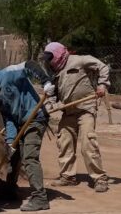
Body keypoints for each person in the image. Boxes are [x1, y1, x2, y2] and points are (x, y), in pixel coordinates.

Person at [42, 41, 111, 193]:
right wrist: (49, 105)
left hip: (85, 109)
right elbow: (52, 95)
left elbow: (103, 67)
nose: (49, 62)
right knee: (64, 141)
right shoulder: (53, 71)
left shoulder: (79, 60)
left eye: (51, 58)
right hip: (68, 111)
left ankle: (99, 178)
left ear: (59, 54)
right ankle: (68, 176)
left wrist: (102, 85)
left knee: (88, 143)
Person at [0, 62, 50, 211]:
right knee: (15, 155)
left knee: (29, 157)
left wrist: (46, 81)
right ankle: (10, 189)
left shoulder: (9, 73)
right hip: (20, 122)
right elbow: (9, 118)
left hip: (35, 117)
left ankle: (40, 197)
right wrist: (11, 141)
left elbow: (30, 64)